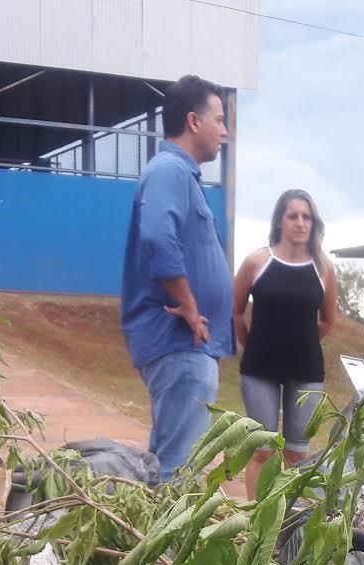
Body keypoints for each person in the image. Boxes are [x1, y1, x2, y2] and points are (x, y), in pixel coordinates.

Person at [119, 74, 232, 482]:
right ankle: (165, 547)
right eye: (219, 119)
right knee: (177, 470)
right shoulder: (169, 170)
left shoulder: (181, 175)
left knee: (175, 462)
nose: (225, 131)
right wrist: (187, 304)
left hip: (188, 345)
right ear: (193, 121)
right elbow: (157, 237)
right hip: (177, 338)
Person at [233, 189, 338, 494]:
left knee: (296, 454)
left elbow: (327, 321)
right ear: (280, 220)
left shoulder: (323, 268)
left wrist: (301, 342)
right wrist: (252, 345)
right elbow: (237, 313)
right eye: (293, 216)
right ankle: (257, 522)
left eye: (306, 217)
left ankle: (290, 527)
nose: (300, 223)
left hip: (306, 372)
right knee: (263, 451)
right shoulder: (256, 262)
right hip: (258, 371)